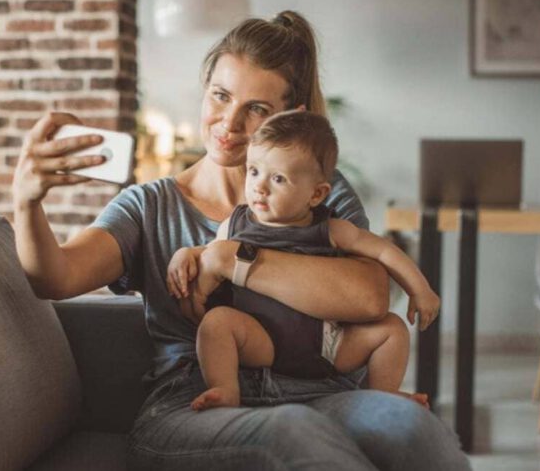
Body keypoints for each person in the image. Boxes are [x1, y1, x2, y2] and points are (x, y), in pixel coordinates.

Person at [12, 10, 470, 471]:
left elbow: (369, 298)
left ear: (290, 118)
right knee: (292, 430)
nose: (229, 123)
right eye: (221, 96)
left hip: (322, 390)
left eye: (256, 109)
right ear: (205, 88)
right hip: (194, 400)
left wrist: (233, 259)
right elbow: (55, 278)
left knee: (410, 425)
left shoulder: (319, 194)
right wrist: (28, 201)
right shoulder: (149, 206)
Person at [165, 110, 438, 412]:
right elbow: (210, 255)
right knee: (216, 323)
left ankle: (382, 395)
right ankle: (226, 389)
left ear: (316, 194)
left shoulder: (331, 229)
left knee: (393, 329)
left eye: (278, 178)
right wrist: (184, 254)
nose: (260, 186)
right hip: (261, 338)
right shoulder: (234, 224)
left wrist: (420, 289)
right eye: (253, 171)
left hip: (330, 344)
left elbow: (384, 251)